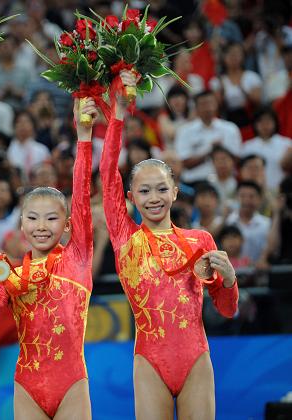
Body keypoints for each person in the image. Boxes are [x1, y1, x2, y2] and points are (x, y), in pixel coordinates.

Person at [100, 71, 239, 419]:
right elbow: (107, 173)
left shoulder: (200, 240)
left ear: (175, 192)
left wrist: (230, 280)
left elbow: (227, 309)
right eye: (144, 192)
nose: (154, 198)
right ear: (131, 198)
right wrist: (117, 112)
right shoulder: (125, 237)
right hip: (149, 360)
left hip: (196, 357)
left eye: (162, 189)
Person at [0, 98, 96, 419]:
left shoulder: (77, 256)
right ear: (22, 224)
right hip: (27, 385)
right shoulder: (8, 273)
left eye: (51, 219)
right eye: (33, 219)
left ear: (67, 224)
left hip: (71, 384)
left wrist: (83, 136)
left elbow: (81, 195)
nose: (42, 226)